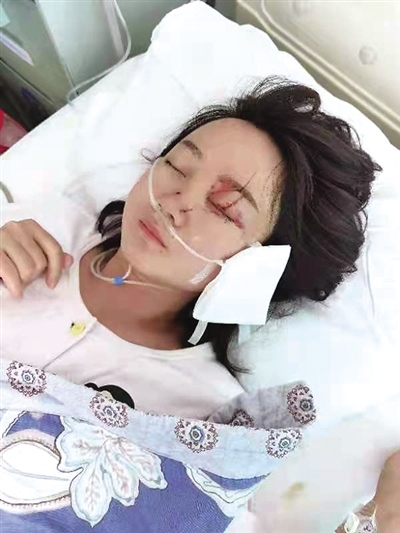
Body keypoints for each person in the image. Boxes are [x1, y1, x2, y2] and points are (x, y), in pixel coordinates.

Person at [2, 77, 395, 529]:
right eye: (178, 166)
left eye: (224, 208)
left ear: (259, 268)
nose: (176, 203)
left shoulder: (202, 425)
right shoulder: (42, 226)